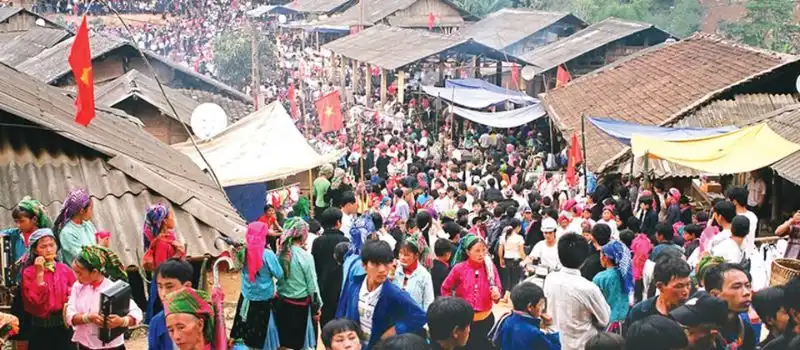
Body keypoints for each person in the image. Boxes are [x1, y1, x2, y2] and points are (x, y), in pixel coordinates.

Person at [336, 240, 427, 349]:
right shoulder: (355, 285)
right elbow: (343, 312)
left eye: (386, 263)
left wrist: (395, 330)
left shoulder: (394, 293)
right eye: (376, 264)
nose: (382, 270)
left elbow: (421, 316)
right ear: (364, 265)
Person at [66, 246, 143, 350]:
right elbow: (69, 316)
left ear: (94, 272)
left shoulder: (113, 289)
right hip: (84, 345)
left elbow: (136, 313)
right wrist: (88, 318)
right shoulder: (78, 287)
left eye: (80, 273)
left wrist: (121, 321)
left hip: (110, 347)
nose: (76, 277)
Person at [543, 233, 610, 350]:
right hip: (580, 345)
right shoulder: (588, 288)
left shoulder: (550, 278)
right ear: (584, 259)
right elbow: (604, 319)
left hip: (554, 343)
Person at [2, 196, 52, 350]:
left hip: (38, 289)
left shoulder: (44, 239)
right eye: (16, 221)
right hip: (20, 290)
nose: (18, 225)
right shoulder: (15, 235)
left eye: (22, 221)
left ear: (34, 219)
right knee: (20, 330)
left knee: (35, 331)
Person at [441, 234, 502, 350]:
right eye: (477, 251)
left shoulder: (490, 267)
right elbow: (446, 288)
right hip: (464, 322)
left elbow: (498, 287)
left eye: (484, 250)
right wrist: (452, 307)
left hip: (485, 319)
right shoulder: (459, 269)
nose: (481, 254)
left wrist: (497, 294)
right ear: (468, 252)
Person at [230, 222, 284, 349]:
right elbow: (279, 274)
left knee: (247, 325)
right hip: (264, 298)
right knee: (262, 329)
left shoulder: (242, 252)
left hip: (247, 296)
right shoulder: (267, 255)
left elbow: (236, 266)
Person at [21, 228, 76, 350]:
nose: (49, 249)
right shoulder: (29, 273)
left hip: (63, 328)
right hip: (40, 329)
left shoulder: (65, 270)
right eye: (43, 246)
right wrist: (39, 274)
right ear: (35, 250)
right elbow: (34, 301)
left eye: (52, 245)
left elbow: (75, 295)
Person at [275, 217, 321, 350]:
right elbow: (312, 285)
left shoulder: (280, 254)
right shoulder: (305, 256)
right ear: (303, 235)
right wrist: (317, 307)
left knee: (283, 341)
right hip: (299, 307)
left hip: (281, 304)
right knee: (298, 343)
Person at [142, 203, 185, 323]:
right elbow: (162, 269)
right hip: (165, 286)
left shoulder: (169, 237)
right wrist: (177, 255)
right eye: (171, 216)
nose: (173, 219)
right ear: (165, 221)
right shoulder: (161, 243)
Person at [625, 255, 691, 328]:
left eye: (688, 284)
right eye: (679, 286)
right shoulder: (640, 313)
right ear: (660, 286)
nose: (686, 291)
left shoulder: (693, 313)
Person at [491, 282, 559, 350]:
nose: (543, 308)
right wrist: (550, 327)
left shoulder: (507, 319)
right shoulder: (534, 333)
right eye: (540, 304)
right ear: (530, 307)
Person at [704, 263, 756, 349]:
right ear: (715, 295)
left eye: (748, 286)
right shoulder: (701, 332)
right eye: (737, 287)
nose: (746, 292)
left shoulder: (745, 328)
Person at [148, 259, 194, 350]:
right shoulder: (157, 322)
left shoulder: (203, 316)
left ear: (187, 287)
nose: (163, 293)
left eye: (169, 286)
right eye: (160, 287)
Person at [593, 240, 633, 332]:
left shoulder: (600, 278)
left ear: (605, 257)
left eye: (601, 255)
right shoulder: (627, 274)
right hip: (626, 321)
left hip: (607, 324)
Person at [53, 188, 96, 269]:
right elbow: (84, 259)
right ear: (81, 211)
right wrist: (101, 247)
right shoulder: (67, 233)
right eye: (90, 209)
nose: (92, 212)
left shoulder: (88, 224)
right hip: (81, 276)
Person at [393, 235, 434, 310]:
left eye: (406, 255)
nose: (402, 257)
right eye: (400, 253)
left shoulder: (424, 275)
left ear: (416, 256)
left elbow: (428, 303)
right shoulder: (395, 269)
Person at [725, 187, 759, 252]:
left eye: (729, 200)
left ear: (734, 202)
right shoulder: (753, 216)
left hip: (737, 252)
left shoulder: (733, 217)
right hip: (750, 251)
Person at [498, 219, 525, 295]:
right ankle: (513, 296)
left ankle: (506, 296)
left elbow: (500, 249)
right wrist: (525, 260)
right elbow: (521, 252)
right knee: (515, 279)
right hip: (517, 259)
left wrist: (501, 258)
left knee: (509, 279)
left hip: (507, 259)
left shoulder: (504, 236)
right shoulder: (519, 238)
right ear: (518, 227)